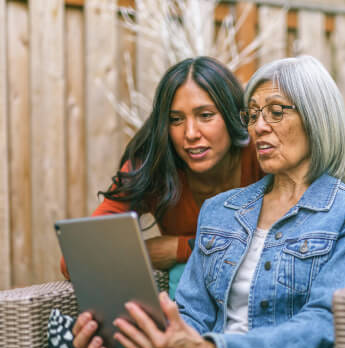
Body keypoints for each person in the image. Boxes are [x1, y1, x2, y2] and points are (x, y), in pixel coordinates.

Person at [70, 55, 345, 348]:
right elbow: (192, 312)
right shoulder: (221, 210)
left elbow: (320, 328)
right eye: (252, 115)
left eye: (275, 112)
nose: (259, 127)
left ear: (316, 118)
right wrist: (139, 337)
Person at [60, 56, 263, 280]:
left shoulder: (261, 154)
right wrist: (171, 250)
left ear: (232, 114)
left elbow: (293, 245)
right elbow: (74, 261)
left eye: (205, 116)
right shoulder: (154, 166)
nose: (191, 133)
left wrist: (178, 248)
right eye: (176, 119)